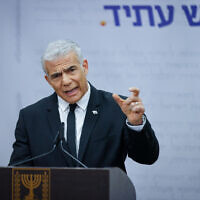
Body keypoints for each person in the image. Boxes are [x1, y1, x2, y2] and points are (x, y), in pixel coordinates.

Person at [9, 40, 159, 172]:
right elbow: (17, 173)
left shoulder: (118, 108)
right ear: (48, 80)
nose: (66, 81)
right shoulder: (31, 117)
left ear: (85, 67)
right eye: (56, 76)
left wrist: (136, 124)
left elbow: (147, 157)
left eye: (71, 70)